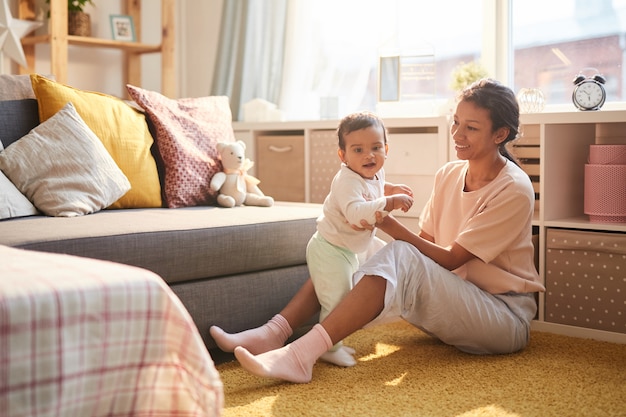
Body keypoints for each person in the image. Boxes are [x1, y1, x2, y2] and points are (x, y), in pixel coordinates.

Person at [210, 78, 546, 384]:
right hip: (454, 299)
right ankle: (274, 332)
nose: (457, 135)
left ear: (500, 135)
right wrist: (373, 226)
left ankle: (301, 355)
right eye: (455, 122)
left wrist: (386, 221)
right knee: (342, 247)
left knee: (397, 252)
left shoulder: (513, 188)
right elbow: (425, 246)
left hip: (501, 319)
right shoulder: (449, 174)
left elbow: (450, 258)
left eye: (471, 128)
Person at [211, 111, 414, 368]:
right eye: (358, 150)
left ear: (386, 148)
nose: (369, 156)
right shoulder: (346, 181)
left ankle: (269, 337)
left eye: (376, 148)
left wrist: (391, 189)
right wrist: (389, 202)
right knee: (338, 300)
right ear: (343, 155)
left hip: (348, 248)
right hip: (329, 249)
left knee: (346, 293)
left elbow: (374, 186)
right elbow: (356, 212)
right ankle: (330, 348)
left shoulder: (373, 172)